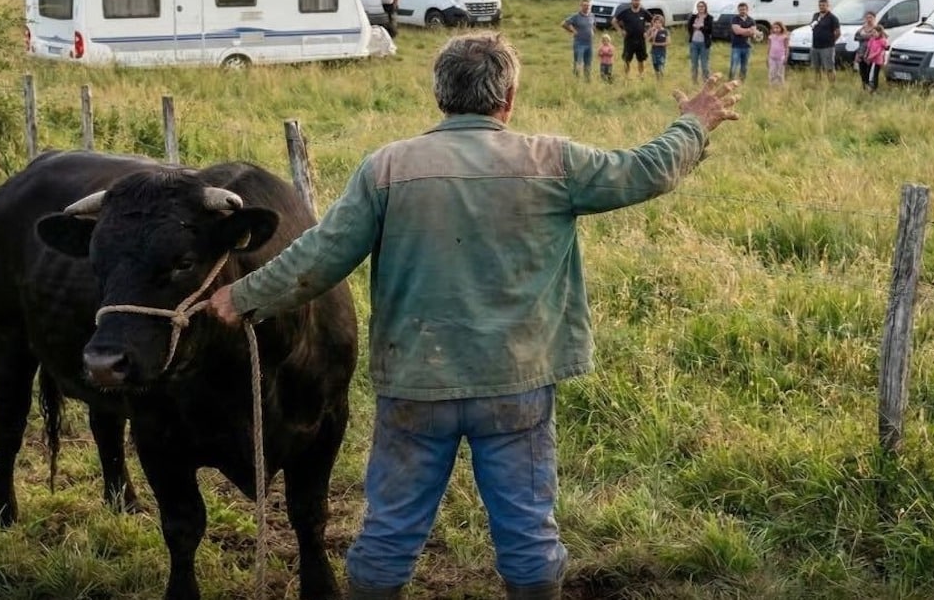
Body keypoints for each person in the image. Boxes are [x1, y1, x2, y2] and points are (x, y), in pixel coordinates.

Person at [206, 31, 742, 600]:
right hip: (516, 381)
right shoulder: (553, 161)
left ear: (440, 95)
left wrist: (240, 297)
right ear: (508, 97)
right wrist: (693, 123)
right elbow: (646, 170)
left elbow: (319, 257)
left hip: (416, 381)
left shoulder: (387, 167)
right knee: (528, 531)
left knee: (389, 530)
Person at [612, 0, 650, 80]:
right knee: (627, 59)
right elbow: (614, 21)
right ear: (632, 1)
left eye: (638, 0)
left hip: (640, 40)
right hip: (629, 40)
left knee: (641, 59)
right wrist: (620, 31)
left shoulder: (643, 12)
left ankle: (641, 76)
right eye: (635, 0)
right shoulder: (626, 12)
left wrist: (648, 32)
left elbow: (654, 21)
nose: (637, 2)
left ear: (640, 1)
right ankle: (626, 76)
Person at [561, 0, 596, 81]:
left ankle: (587, 80)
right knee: (578, 62)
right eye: (585, 5)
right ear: (581, 6)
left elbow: (593, 25)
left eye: (588, 5)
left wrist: (592, 32)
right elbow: (564, 24)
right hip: (579, 43)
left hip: (589, 43)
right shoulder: (576, 16)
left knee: (588, 62)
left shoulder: (592, 15)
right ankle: (576, 79)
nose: (587, 7)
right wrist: (573, 31)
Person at [809, 0, 841, 83]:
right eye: (820, 5)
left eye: (823, 5)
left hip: (827, 47)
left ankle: (832, 84)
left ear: (828, 6)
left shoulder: (832, 18)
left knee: (829, 68)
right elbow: (812, 26)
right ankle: (818, 84)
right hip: (815, 46)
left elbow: (838, 32)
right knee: (816, 68)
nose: (821, 7)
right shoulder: (816, 15)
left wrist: (831, 41)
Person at [729, 2, 759, 82]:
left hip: (747, 46)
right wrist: (749, 30)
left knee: (744, 66)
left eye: (744, 9)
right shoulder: (735, 19)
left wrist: (743, 31)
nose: (742, 11)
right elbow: (737, 31)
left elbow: (753, 33)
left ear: (747, 10)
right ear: (738, 10)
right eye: (740, 10)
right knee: (734, 65)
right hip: (736, 46)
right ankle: (731, 81)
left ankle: (741, 82)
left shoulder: (751, 20)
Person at [686, 0, 713, 85]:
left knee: (704, 64)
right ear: (697, 8)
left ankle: (706, 82)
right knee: (694, 64)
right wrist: (696, 27)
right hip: (694, 43)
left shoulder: (709, 18)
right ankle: (694, 82)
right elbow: (689, 28)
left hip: (704, 44)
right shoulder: (693, 17)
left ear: (705, 7)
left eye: (702, 6)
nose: (700, 8)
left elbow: (710, 30)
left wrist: (700, 27)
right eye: (699, 6)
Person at [853, 11, 879, 87]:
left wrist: (864, 36)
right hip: (861, 52)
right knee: (862, 71)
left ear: (874, 18)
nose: (869, 19)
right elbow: (856, 37)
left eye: (871, 17)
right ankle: (864, 86)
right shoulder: (862, 28)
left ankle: (870, 86)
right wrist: (868, 36)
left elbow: (878, 38)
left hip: (872, 53)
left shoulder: (877, 28)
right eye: (867, 17)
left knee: (870, 71)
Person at [864, 25, 889, 92]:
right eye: (873, 32)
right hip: (871, 59)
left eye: (875, 32)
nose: (873, 34)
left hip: (877, 60)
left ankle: (874, 87)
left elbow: (878, 51)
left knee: (875, 74)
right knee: (868, 72)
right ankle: (868, 85)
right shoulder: (872, 39)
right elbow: (868, 48)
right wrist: (866, 55)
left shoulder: (882, 41)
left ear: (879, 33)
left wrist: (870, 56)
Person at [647, 14, 669, 82]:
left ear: (662, 23)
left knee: (661, 66)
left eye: (659, 23)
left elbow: (668, 42)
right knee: (655, 66)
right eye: (656, 23)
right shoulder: (652, 30)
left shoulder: (665, 31)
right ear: (653, 23)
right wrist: (653, 34)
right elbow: (648, 40)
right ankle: (658, 80)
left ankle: (662, 80)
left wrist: (657, 44)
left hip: (662, 52)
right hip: (654, 52)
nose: (657, 24)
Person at [767, 21, 789, 85]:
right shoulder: (771, 37)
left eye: (777, 28)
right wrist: (767, 57)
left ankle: (780, 86)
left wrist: (786, 57)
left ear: (781, 28)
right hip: (772, 57)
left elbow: (787, 48)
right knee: (772, 72)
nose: (776, 29)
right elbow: (769, 47)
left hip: (781, 57)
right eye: (774, 28)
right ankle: (772, 85)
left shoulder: (784, 37)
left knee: (780, 73)